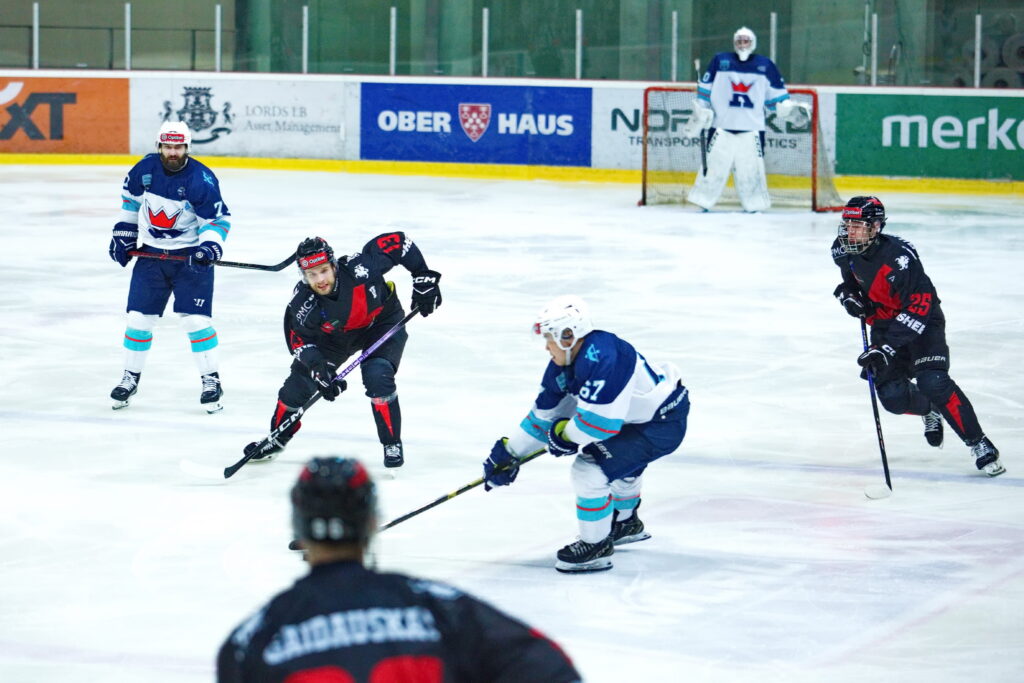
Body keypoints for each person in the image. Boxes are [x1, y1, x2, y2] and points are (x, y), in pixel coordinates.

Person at [217, 456, 582, 682]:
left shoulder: (254, 640)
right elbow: (551, 670)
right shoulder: (438, 609)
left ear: (298, 529)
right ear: (371, 522)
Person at [481, 296, 690, 573]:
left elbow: (598, 425)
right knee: (621, 464)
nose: (546, 346)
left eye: (550, 338)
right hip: (637, 421)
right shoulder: (566, 363)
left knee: (589, 470)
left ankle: (595, 546)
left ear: (568, 335)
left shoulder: (605, 357)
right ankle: (625, 523)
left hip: (660, 425)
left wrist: (563, 436)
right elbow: (543, 418)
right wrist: (510, 455)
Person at [832, 196, 1005, 477]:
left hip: (923, 322)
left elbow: (919, 307)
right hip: (885, 324)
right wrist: (849, 297)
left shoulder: (899, 258)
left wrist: (887, 347)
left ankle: (979, 443)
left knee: (933, 381)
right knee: (893, 399)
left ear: (876, 227)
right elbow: (850, 283)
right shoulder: (842, 249)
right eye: (847, 224)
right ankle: (930, 409)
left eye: (857, 225)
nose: (850, 231)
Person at [244, 234, 442, 468]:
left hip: (381, 322)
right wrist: (319, 368)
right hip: (335, 338)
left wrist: (422, 277)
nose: (320, 280)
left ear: (334, 265)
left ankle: (392, 443)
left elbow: (399, 243)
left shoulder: (361, 268)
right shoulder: (303, 302)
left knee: (377, 373)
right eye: (311, 274)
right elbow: (298, 340)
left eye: (324, 271)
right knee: (297, 385)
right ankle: (276, 439)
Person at [107, 120, 231, 413]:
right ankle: (130, 378)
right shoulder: (144, 170)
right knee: (138, 319)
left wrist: (209, 247)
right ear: (159, 146)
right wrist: (124, 234)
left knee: (195, 321)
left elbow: (216, 220)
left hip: (190, 259)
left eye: (178, 147)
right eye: (167, 146)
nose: (172, 152)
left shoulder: (201, 179)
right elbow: (130, 204)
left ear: (187, 147)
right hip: (151, 257)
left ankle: (211, 380)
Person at [682, 26, 808, 212]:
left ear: (753, 43)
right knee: (713, 166)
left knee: (751, 169)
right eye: (739, 41)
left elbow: (776, 98)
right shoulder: (720, 61)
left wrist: (788, 109)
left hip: (752, 129)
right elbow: (705, 89)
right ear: (734, 43)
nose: (742, 44)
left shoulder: (766, 65)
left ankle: (754, 205)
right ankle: (703, 201)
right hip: (721, 127)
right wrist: (702, 109)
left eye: (746, 41)